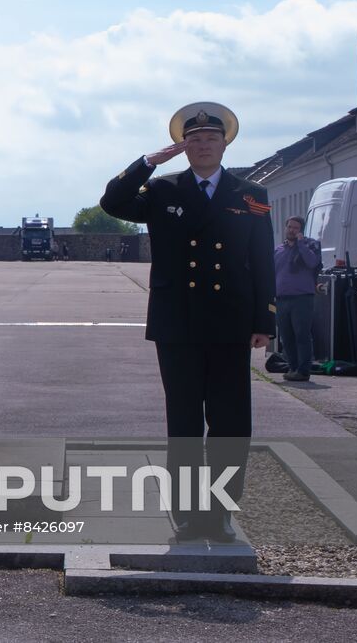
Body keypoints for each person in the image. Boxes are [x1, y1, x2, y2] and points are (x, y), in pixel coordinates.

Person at [99, 102, 274, 543]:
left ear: (224, 143)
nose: (202, 146)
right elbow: (113, 201)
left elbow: (261, 261)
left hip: (230, 321)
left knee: (231, 423)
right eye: (193, 140)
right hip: (178, 323)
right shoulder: (162, 189)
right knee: (184, 423)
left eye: (210, 139)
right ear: (184, 146)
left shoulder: (250, 193)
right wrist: (146, 163)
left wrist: (264, 320)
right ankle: (189, 513)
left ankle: (221, 512)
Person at [274, 216, 322, 382]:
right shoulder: (278, 250)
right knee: (286, 337)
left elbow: (312, 263)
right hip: (281, 299)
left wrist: (300, 244)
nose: (291, 230)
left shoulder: (311, 246)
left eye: (295, 228)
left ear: (301, 230)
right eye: (289, 227)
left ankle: (303, 370)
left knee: (301, 334)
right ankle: (293, 368)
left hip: (302, 299)